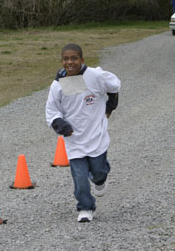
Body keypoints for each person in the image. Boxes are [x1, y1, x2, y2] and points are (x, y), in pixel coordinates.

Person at [45, 43, 121, 222]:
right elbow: (51, 111)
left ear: (82, 60)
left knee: (99, 171)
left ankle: (100, 179)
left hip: (96, 135)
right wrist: (61, 124)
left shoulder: (95, 76)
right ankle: (85, 208)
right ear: (61, 61)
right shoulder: (57, 86)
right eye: (66, 59)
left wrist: (111, 105)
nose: (69, 62)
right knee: (79, 178)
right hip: (74, 139)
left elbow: (115, 86)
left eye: (74, 58)